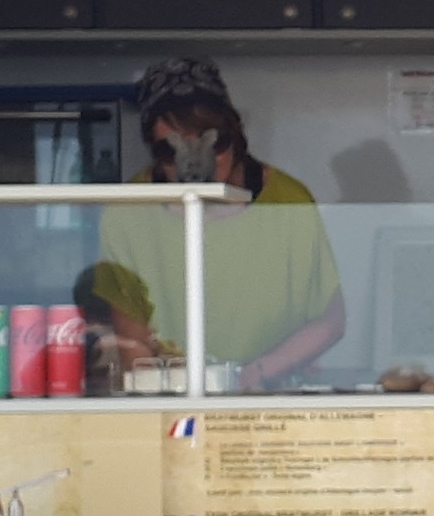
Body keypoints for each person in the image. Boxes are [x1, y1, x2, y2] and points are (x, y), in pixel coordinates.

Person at [92, 57, 345, 390]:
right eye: (171, 150)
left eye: (216, 143)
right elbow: (134, 346)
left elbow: (329, 320)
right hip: (173, 394)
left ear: (236, 134)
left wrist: (254, 375)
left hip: (270, 394)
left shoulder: (287, 201)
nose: (197, 164)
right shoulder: (129, 212)